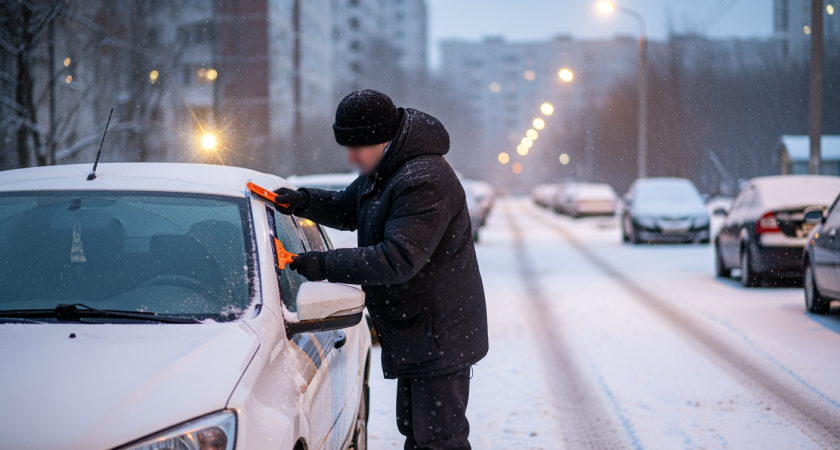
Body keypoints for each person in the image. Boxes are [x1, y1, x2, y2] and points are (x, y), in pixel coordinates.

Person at [273, 89, 488, 450]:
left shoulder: (422, 180)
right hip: (418, 332)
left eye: (357, 147)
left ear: (383, 139)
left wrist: (321, 265)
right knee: (418, 432)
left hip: (438, 334)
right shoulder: (386, 170)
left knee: (440, 440)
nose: (351, 156)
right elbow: (347, 207)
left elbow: (397, 258)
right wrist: (304, 202)